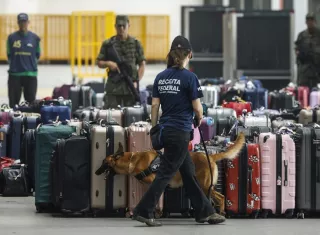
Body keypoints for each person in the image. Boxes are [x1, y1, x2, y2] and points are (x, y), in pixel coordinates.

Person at [132, 35, 226, 227]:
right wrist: (199, 119)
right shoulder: (190, 77)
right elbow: (198, 108)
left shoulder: (160, 77)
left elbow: (155, 107)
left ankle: (204, 212)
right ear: (189, 54)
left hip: (166, 131)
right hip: (181, 132)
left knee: (189, 174)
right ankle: (143, 210)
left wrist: (155, 127)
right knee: (165, 173)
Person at [96, 15, 146, 108]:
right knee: (111, 116)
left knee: (131, 115)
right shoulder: (108, 44)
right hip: (113, 89)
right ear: (115, 26)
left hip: (130, 88)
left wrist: (136, 81)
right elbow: (99, 62)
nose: (121, 28)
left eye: (124, 26)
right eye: (119, 26)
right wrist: (108, 63)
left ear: (129, 26)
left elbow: (142, 64)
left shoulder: (136, 44)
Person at [6, 13, 41, 108]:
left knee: (31, 104)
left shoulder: (35, 38)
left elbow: (38, 55)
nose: (23, 24)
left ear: (28, 22)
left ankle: (30, 122)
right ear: (18, 23)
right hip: (15, 74)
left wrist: (29, 65)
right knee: (13, 104)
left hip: (30, 75)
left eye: (24, 22)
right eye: (21, 22)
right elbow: (9, 55)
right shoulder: (11, 38)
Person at [295, 13, 320, 89]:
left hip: (317, 69)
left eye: (311, 20)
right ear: (306, 22)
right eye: (308, 20)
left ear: (315, 21)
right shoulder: (302, 35)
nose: (310, 22)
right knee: (304, 92)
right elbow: (297, 51)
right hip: (305, 70)